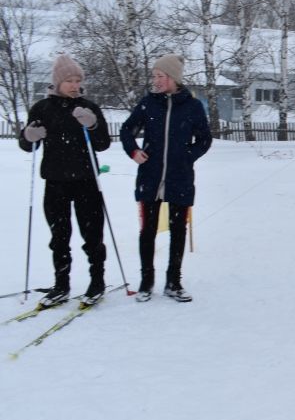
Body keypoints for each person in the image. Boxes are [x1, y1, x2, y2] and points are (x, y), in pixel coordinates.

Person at [19, 54, 111, 307]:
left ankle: (97, 281)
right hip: (55, 182)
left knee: (92, 234)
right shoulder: (41, 109)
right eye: (69, 80)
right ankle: (61, 284)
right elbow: (28, 145)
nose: (74, 84)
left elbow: (103, 143)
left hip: (86, 182)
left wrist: (92, 125)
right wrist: (28, 135)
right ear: (57, 83)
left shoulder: (88, 107)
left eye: (77, 80)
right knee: (59, 236)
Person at [120, 54, 212, 303]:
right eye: (154, 76)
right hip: (150, 176)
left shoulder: (192, 106)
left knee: (177, 230)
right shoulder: (148, 103)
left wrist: (187, 156)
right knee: (147, 230)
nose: (156, 81)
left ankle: (174, 282)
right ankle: (146, 282)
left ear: (173, 78)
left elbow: (205, 139)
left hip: (179, 178)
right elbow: (127, 129)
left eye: (160, 76)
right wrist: (133, 151)